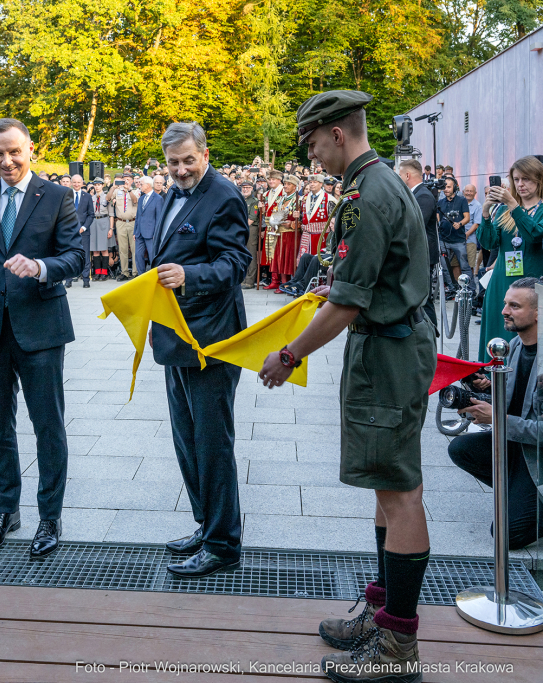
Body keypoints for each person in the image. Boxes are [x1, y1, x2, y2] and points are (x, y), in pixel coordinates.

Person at [260, 91, 435, 680]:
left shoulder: (367, 193)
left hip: (388, 351)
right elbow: (359, 280)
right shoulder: (377, 182)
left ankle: (397, 649)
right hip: (387, 347)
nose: (311, 158)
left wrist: (289, 354)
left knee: (399, 489)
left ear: (337, 132)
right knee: (386, 485)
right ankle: (383, 616)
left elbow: (351, 300)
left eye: (311, 144)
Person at [0, 118, 83, 558]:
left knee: (48, 425)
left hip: (41, 328)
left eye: (13, 152)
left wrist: (42, 268)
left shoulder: (59, 197)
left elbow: (76, 256)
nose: (5, 161)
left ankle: (50, 516)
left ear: (31, 150)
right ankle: (6, 510)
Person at [148, 122, 250, 580]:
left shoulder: (225, 194)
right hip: (175, 336)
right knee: (187, 442)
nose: (181, 170)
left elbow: (234, 263)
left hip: (211, 339)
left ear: (205, 154)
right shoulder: (171, 193)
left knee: (212, 445)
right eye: (173, 163)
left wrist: (191, 278)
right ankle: (206, 525)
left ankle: (223, 544)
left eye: (188, 160)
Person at [450, 278, 543, 549]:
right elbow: (515, 402)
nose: (504, 311)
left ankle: (528, 499)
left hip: (538, 454)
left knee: (507, 535)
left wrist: (496, 418)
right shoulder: (513, 346)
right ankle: (520, 494)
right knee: (461, 449)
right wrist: (483, 391)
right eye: (505, 304)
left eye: (514, 306)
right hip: (519, 447)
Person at [476, 155, 543, 360]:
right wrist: (486, 214)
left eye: (527, 179)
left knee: (527, 336)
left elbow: (535, 235)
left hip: (531, 281)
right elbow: (489, 243)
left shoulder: (535, 209)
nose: (520, 184)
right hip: (501, 281)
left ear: (539, 180)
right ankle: (490, 379)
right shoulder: (504, 209)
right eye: (516, 179)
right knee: (497, 330)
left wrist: (514, 206)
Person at [398, 159, 440, 326]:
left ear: (407, 175)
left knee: (425, 298)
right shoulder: (416, 194)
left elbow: (416, 224)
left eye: (400, 175)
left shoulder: (423, 195)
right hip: (416, 253)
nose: (399, 179)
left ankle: (431, 332)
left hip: (424, 254)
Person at [437, 176, 472, 286]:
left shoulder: (462, 200)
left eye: (448, 187)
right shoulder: (440, 202)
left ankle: (470, 289)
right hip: (444, 240)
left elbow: (467, 217)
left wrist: (460, 223)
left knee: (464, 266)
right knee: (445, 268)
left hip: (458, 240)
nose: (446, 189)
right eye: (444, 187)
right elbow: (437, 218)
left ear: (455, 188)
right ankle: (452, 288)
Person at [66, 173, 94, 288]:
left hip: (84, 231)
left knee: (85, 255)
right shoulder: (66, 195)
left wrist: (83, 228)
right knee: (69, 255)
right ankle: (68, 279)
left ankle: (86, 279)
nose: (77, 184)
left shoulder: (87, 196)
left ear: (82, 183)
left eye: (79, 182)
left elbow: (91, 215)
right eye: (74, 182)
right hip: (69, 231)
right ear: (71, 183)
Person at [108, 173, 138, 280]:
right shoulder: (117, 191)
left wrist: (129, 190)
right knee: (122, 249)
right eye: (124, 180)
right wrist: (113, 187)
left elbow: (135, 201)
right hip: (120, 222)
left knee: (134, 248)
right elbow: (107, 198)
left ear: (132, 181)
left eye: (128, 180)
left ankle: (135, 272)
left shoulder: (136, 191)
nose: (126, 182)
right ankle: (125, 272)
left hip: (133, 222)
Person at [134, 174, 162, 274]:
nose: (139, 186)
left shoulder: (158, 199)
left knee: (152, 256)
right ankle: (141, 276)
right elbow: (138, 216)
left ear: (148, 185)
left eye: (141, 184)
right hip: (139, 233)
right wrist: (135, 232)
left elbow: (159, 218)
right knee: (138, 255)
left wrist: (156, 234)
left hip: (151, 234)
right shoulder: (141, 199)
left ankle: (155, 276)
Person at [88, 177, 112, 280]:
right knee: (95, 250)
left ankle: (104, 272)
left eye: (99, 185)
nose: (97, 187)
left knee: (104, 249)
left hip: (104, 222)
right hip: (93, 223)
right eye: (95, 185)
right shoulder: (91, 198)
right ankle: (97, 273)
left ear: (102, 185)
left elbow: (111, 214)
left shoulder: (107, 197)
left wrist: (111, 228)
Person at [464, 184, 483, 279]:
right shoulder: (460, 202)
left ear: (475, 193)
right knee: (456, 264)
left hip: (470, 239)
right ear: (463, 192)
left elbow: (476, 224)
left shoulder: (478, 206)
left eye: (471, 191)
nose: (469, 193)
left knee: (469, 264)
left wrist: (467, 234)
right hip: (457, 239)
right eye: (467, 191)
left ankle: (469, 286)